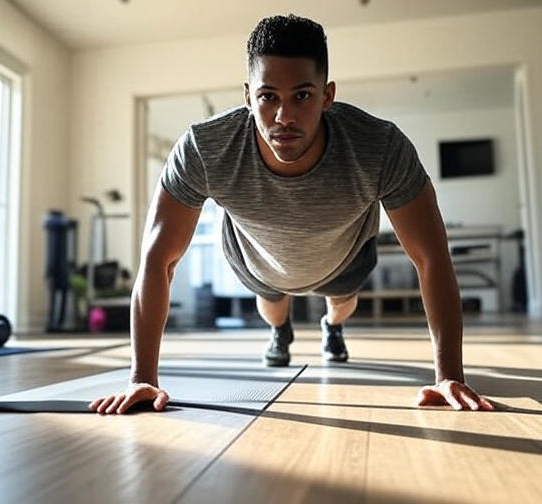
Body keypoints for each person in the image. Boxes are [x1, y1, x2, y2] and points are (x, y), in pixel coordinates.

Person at [90, 14, 493, 415]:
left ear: (327, 95)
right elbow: (158, 260)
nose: (284, 117)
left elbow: (431, 258)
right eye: (268, 97)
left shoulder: (381, 147)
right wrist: (142, 377)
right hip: (258, 257)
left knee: (341, 305)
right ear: (248, 96)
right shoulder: (203, 148)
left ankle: (331, 328)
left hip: (345, 255)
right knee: (273, 306)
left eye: (302, 95)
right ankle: (279, 330)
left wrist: (449, 375)